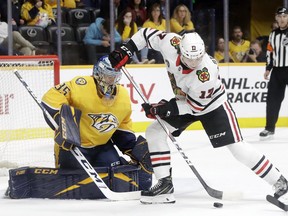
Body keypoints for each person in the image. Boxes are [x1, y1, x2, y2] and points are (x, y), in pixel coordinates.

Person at [107, 28, 288, 205]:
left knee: (237, 148)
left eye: (198, 58)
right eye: (189, 59)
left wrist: (165, 109)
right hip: (185, 100)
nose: (194, 63)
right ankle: (165, 185)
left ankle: (280, 182)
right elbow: (146, 34)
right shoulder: (171, 42)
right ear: (179, 50)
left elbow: (195, 107)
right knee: (155, 132)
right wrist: (127, 48)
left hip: (212, 105)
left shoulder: (205, 74)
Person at [41, 56, 152, 191]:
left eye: (114, 77)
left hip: (102, 146)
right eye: (108, 76)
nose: (111, 80)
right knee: (74, 182)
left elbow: (121, 130)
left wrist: (133, 149)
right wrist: (62, 121)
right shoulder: (80, 84)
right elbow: (50, 97)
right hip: (74, 146)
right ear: (98, 73)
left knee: (115, 176)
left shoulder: (122, 96)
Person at [259, 7, 288, 139]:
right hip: (277, 71)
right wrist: (268, 68)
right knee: (272, 100)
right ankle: (269, 128)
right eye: (279, 16)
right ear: (276, 18)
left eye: (284, 16)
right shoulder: (273, 34)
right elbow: (270, 52)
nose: (282, 19)